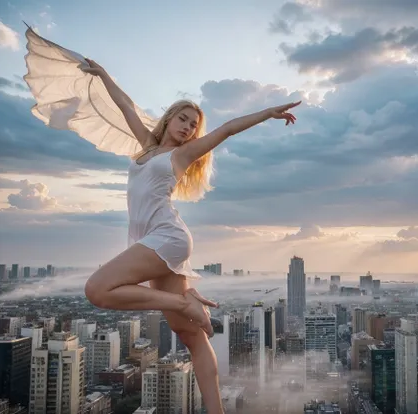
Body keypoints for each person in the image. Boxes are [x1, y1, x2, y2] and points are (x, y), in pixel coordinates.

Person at [22, 27, 299, 414]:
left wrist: (268, 113)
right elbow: (126, 106)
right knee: (191, 337)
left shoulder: (180, 158)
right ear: (170, 119)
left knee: (97, 290)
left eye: (192, 125)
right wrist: (103, 75)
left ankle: (181, 302)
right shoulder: (147, 148)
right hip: (155, 239)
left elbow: (227, 128)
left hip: (166, 238)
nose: (187, 127)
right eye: (183, 119)